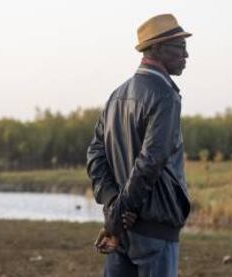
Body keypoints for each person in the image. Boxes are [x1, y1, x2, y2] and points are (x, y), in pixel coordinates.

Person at [86, 14, 192, 277]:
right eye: (179, 47)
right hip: (153, 228)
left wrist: (113, 209)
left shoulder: (116, 95)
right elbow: (151, 160)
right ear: (156, 48)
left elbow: (95, 154)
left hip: (122, 227)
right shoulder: (166, 95)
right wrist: (119, 210)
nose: (186, 55)